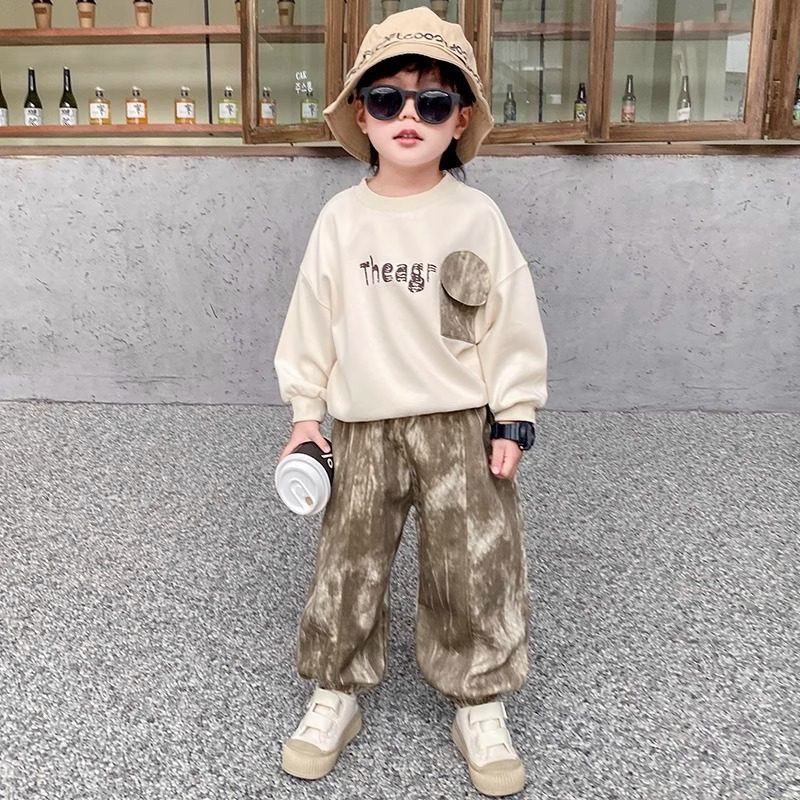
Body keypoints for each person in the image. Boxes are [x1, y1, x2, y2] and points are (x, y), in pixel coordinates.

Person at [273, 7, 547, 797]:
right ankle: (336, 689)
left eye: (432, 102)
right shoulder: (341, 220)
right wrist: (305, 417)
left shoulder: (476, 217)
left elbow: (507, 321)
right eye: (387, 98)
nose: (409, 117)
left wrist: (516, 410)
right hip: (362, 425)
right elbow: (311, 323)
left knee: (475, 559)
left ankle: (479, 698)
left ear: (460, 119)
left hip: (461, 423)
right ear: (361, 114)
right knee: (348, 558)